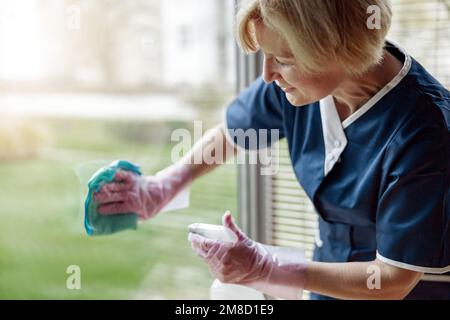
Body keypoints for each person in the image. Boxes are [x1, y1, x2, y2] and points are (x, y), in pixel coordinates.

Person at [93, 0, 450, 300]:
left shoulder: (426, 133)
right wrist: (167, 183)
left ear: (339, 47)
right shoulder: (308, 85)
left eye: (283, 58)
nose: (267, 74)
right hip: (329, 278)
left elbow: (394, 278)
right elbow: (236, 132)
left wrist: (268, 269)